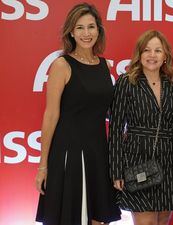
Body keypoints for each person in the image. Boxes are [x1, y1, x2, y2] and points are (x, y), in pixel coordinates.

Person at [35, 3, 121, 225]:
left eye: (91, 27)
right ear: (71, 32)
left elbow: (109, 111)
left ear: (98, 30)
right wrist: (43, 165)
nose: (86, 33)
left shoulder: (104, 65)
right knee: (70, 217)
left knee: (97, 219)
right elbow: (51, 115)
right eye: (80, 28)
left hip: (98, 152)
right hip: (68, 153)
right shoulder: (61, 65)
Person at [109, 30, 173, 225]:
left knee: (161, 221)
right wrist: (116, 170)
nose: (152, 55)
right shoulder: (127, 82)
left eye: (158, 50)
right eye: (147, 50)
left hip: (170, 161)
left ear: (165, 55)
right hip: (137, 160)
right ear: (139, 54)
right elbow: (116, 128)